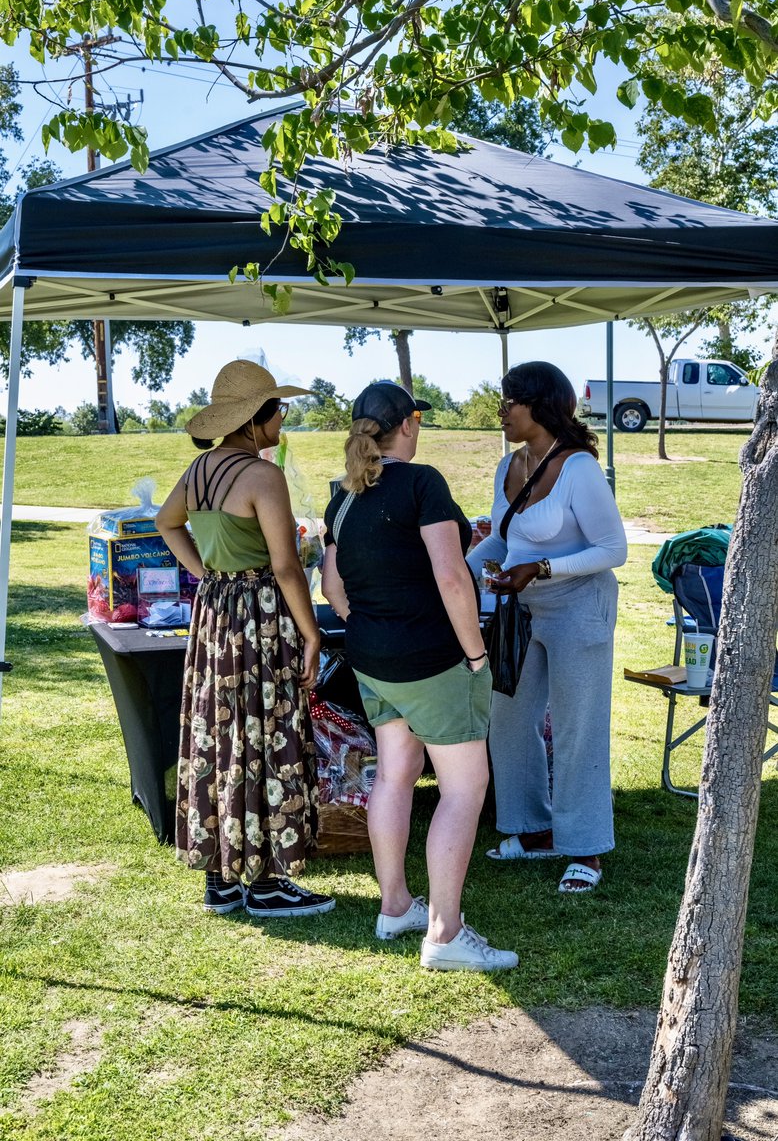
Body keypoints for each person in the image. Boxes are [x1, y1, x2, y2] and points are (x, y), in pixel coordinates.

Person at [322, 380, 518, 972]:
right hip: (430, 660)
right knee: (463, 789)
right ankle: (444, 933)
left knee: (395, 775)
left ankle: (396, 907)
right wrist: (476, 655)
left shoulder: (343, 498)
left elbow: (332, 588)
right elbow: (452, 577)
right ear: (408, 424)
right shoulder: (422, 482)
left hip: (373, 660)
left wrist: (373, 624)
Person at [156, 359, 335, 919]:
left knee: (219, 733)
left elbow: (166, 522)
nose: (283, 421)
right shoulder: (262, 476)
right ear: (255, 420)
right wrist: (312, 633)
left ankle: (222, 878)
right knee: (266, 731)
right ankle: (266, 883)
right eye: (279, 411)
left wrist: (207, 573)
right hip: (260, 615)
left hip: (215, 616)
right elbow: (285, 566)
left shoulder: (199, 470)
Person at [468, 361, 627, 893]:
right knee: (509, 717)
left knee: (579, 726)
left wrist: (541, 568)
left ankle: (585, 848)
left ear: (540, 405)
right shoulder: (509, 464)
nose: (501, 411)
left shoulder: (579, 468)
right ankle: (533, 829)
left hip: (580, 605)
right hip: (522, 608)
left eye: (509, 401)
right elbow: (504, 538)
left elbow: (613, 550)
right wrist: (459, 569)